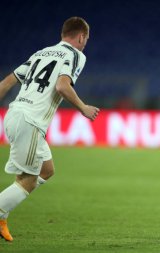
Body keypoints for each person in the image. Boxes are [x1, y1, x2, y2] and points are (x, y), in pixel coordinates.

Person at [0, 17, 99, 241]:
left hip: (14, 114)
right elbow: (62, 85)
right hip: (31, 121)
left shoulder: (41, 53)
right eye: (86, 39)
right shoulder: (75, 55)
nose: (85, 43)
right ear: (81, 36)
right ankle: (0, 211)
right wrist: (83, 108)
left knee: (46, 170)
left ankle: (3, 213)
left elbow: (7, 82)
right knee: (28, 179)